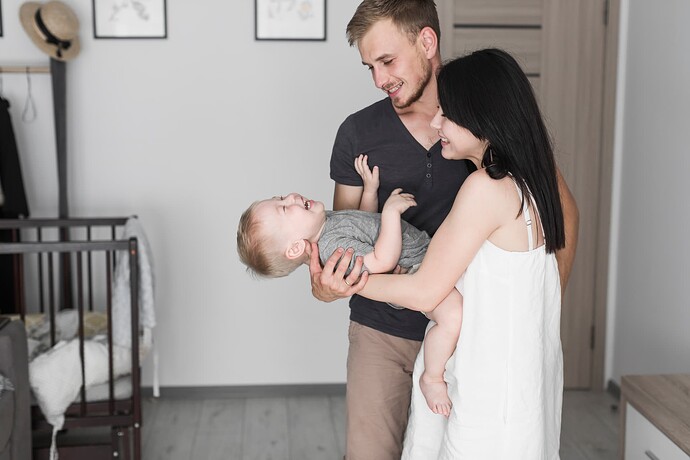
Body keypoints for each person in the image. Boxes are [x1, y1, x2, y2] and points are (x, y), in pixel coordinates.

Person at [308, 1, 579, 459]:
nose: (379, 79)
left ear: (427, 42)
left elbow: (561, 222)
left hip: (470, 337)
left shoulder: (491, 152)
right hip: (385, 332)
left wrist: (532, 319)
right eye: (369, 67)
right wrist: (328, 287)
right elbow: (341, 235)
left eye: (387, 61)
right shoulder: (358, 133)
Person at [358, 47, 566, 459]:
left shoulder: (486, 189)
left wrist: (351, 282)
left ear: (484, 118)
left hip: (487, 394)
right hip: (519, 390)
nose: (436, 124)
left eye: (446, 114)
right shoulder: (530, 183)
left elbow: (423, 293)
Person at [236, 182, 462, 417]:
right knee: (452, 315)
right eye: (284, 208)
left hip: (428, 253)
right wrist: (391, 213)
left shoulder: (327, 223)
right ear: (294, 249)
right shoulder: (333, 247)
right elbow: (381, 260)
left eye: (281, 196)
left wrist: (369, 192)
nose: (291, 196)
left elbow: (364, 226)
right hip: (415, 270)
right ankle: (432, 377)